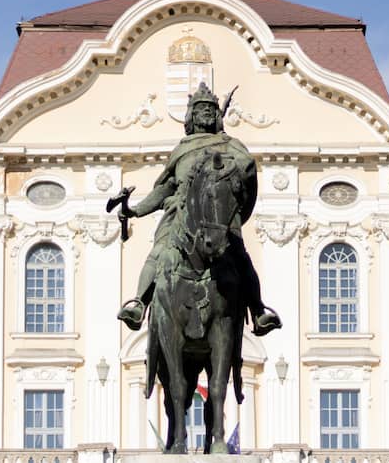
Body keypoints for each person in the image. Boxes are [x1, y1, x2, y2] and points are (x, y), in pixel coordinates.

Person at [116, 82, 281, 336]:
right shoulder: (182, 149)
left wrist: (229, 167)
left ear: (218, 115)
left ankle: (258, 311)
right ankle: (139, 303)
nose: (206, 112)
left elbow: (247, 171)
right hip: (180, 212)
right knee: (160, 251)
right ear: (191, 116)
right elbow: (166, 188)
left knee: (239, 255)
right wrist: (135, 210)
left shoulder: (231, 145)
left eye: (210, 109)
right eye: (200, 108)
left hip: (220, 214)